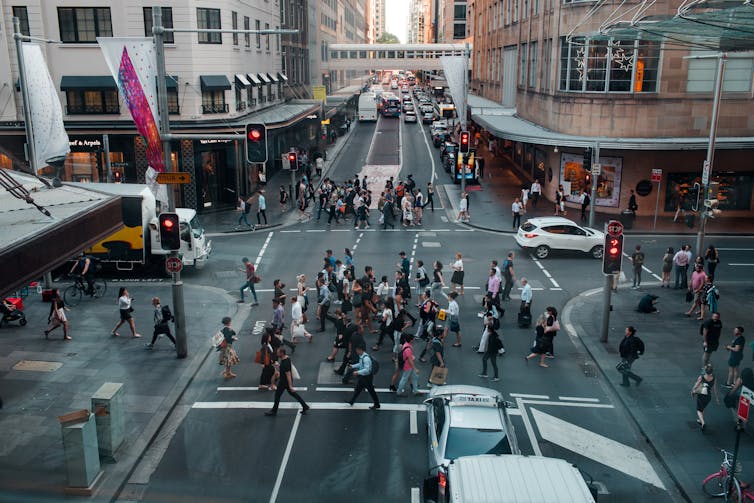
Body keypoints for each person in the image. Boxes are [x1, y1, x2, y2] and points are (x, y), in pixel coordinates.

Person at [265, 347, 309, 416]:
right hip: (285, 381)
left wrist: (290, 386)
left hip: (284, 382)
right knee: (293, 394)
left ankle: (274, 411)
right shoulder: (287, 358)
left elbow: (288, 374)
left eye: (278, 352)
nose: (277, 353)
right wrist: (278, 365)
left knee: (277, 395)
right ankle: (305, 406)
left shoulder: (285, 363)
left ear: (282, 353)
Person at [345, 345, 381, 409]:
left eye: (357, 350)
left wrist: (357, 372)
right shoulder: (362, 356)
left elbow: (367, 370)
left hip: (367, 377)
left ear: (360, 350)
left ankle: (377, 404)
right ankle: (352, 401)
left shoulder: (366, 358)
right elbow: (360, 364)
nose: (356, 352)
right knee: (358, 389)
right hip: (363, 376)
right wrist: (353, 366)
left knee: (371, 390)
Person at [691, 364, 719, 432]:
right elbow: (715, 389)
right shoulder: (714, 378)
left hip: (701, 395)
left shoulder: (702, 377)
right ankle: (700, 420)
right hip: (708, 396)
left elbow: (696, 385)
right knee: (702, 407)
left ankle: (703, 423)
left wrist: (692, 391)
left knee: (698, 410)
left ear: (705, 371)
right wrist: (717, 398)